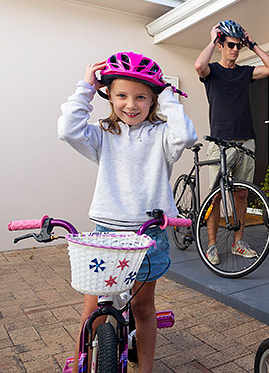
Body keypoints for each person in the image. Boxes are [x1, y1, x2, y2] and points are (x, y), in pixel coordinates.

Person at [57, 52, 198, 373]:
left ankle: (145, 368)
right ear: (109, 96)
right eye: (121, 95)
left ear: (153, 99)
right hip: (106, 233)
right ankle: (82, 358)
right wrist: (86, 88)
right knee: (94, 307)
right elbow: (67, 130)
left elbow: (187, 136)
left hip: (149, 234)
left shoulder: (163, 134)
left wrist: (171, 97)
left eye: (141, 97)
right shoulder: (103, 134)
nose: (130, 104)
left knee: (142, 307)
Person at [194, 19, 269, 265]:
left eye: (238, 46)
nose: (235, 49)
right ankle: (211, 245)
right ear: (220, 44)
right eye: (230, 44)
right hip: (220, 141)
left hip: (247, 141)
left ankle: (238, 242)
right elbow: (199, 64)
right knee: (216, 196)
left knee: (242, 194)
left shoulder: (245, 72)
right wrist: (212, 39)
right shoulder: (211, 71)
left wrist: (252, 45)